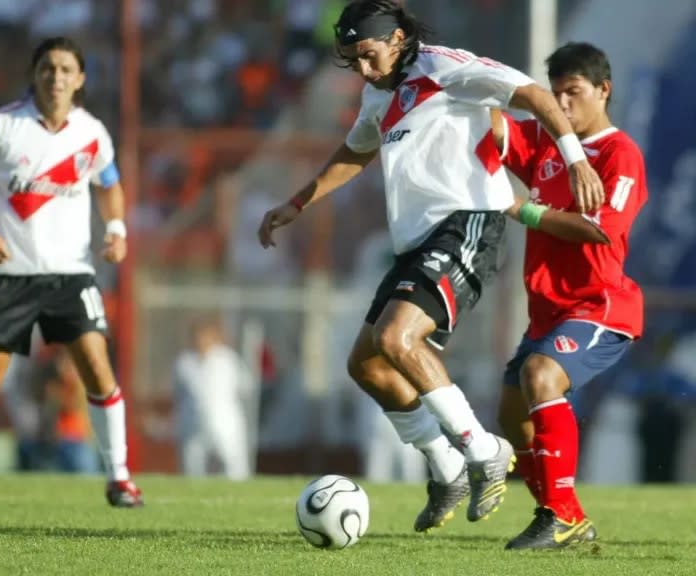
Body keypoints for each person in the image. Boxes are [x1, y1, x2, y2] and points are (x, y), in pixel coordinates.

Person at [257, 0, 604, 531]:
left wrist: (576, 158)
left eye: (369, 55)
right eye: (355, 61)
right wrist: (297, 203)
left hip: (468, 222)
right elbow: (355, 152)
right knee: (367, 365)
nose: (365, 70)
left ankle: (481, 448)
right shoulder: (378, 94)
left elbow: (533, 95)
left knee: (398, 340)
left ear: (397, 38)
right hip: (416, 242)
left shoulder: (447, 67)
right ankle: (445, 466)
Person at [0, 36, 143, 509]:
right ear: (36, 75)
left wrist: (115, 226)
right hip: (8, 274)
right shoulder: (3, 125)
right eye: (48, 68)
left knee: (96, 367)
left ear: (80, 78)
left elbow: (109, 184)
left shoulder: (92, 133)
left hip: (70, 273)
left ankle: (120, 478)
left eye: (66, 69)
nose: (56, 76)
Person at [493, 42, 647, 549]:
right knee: (512, 416)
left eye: (573, 93)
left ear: (604, 91)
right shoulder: (544, 140)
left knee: (540, 377)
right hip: (547, 312)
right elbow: (494, 127)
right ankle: (572, 519)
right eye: (553, 94)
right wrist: (470, 81)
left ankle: (556, 515)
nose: (561, 105)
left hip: (599, 305)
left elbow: (601, 230)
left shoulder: (619, 153)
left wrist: (525, 211)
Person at [172, 315, 255, 480]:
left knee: (233, 464)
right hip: (193, 423)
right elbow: (178, 392)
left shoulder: (227, 359)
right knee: (193, 467)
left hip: (225, 421)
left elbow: (245, 387)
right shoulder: (184, 362)